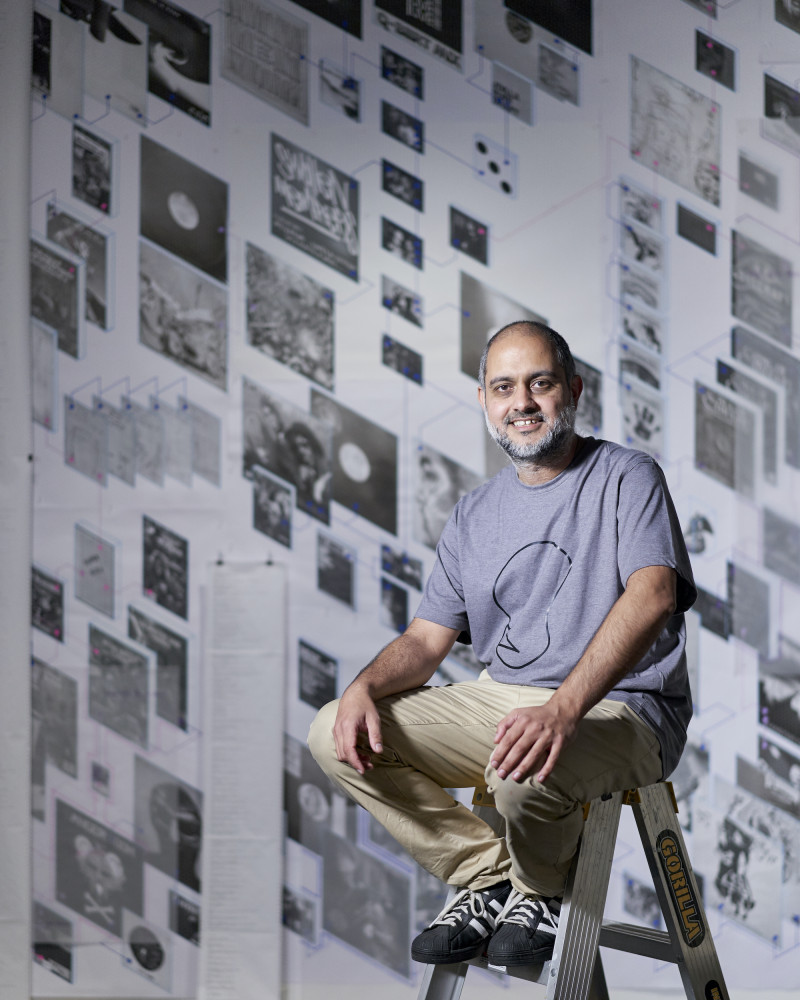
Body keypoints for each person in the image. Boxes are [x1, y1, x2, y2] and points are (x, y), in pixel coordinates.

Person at [308, 321, 696, 968]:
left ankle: (540, 891)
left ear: (572, 390)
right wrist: (363, 688)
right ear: (485, 400)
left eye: (540, 384)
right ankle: (488, 875)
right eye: (504, 387)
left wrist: (563, 709)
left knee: (520, 769)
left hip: (624, 711)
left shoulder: (628, 476)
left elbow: (653, 595)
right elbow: (425, 641)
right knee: (336, 735)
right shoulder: (473, 513)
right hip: (505, 700)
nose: (522, 402)